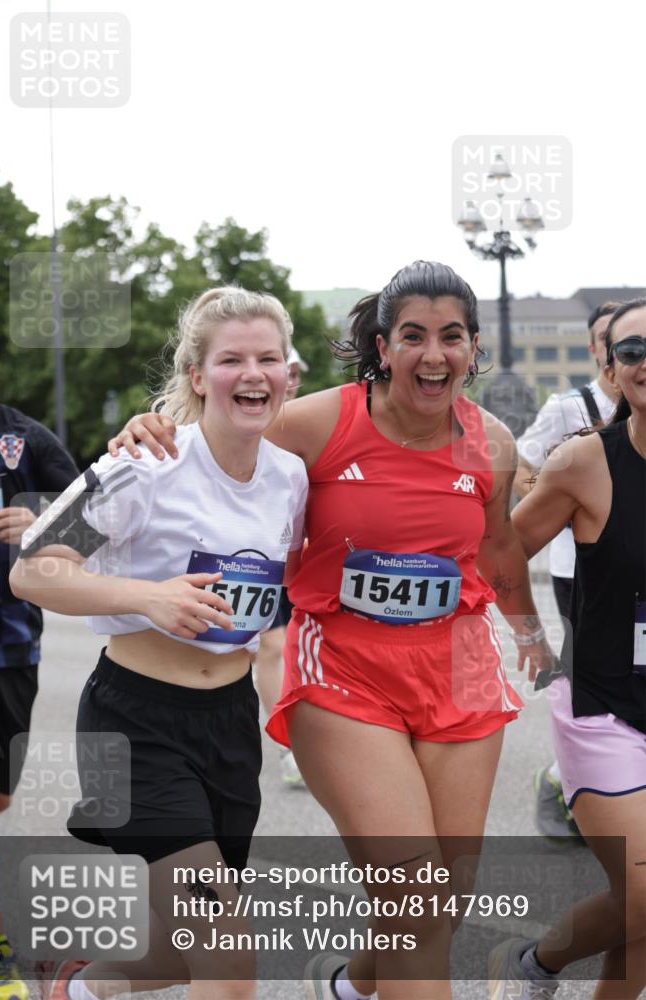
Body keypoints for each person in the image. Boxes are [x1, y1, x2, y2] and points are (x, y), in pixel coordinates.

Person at [109, 261, 555, 1000]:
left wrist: (531, 635)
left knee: (442, 900)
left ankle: (350, 986)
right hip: (345, 667)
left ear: (473, 349)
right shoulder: (316, 421)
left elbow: (498, 544)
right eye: (411, 336)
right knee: (415, 903)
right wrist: (156, 425)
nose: (432, 354)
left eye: (451, 337)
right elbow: (221, 431)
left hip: (459, 664)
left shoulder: (492, 443)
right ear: (382, 346)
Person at [9, 288, 308, 1000]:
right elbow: (33, 569)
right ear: (198, 374)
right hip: (133, 723)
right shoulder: (141, 466)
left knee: (185, 953)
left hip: (228, 726)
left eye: (268, 357)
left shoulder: (290, 478)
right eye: (231, 358)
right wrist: (150, 597)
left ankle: (75, 989)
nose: (253, 373)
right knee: (228, 952)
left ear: (289, 375)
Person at [494, 298, 646, 1000]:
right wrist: (527, 635)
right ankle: (539, 960)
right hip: (603, 708)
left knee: (641, 919)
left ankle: (537, 964)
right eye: (632, 349)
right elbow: (498, 554)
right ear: (610, 369)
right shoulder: (585, 463)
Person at [0, 320, 79, 1000]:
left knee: (0, 797)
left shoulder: (23, 439)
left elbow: (97, 519)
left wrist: (37, 518)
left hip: (11, 645)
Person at [514, 302, 619, 838]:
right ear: (596, 349)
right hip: (575, 568)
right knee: (591, 677)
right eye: (610, 340)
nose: (620, 351)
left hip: (631, 565)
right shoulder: (570, 405)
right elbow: (522, 459)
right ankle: (565, 780)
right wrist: (554, 506)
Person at [253, 345, 309, 788]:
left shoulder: (312, 420)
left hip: (303, 558)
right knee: (271, 647)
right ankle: (289, 743)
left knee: (296, 647)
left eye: (291, 371)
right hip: (257, 557)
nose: (287, 378)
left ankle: (310, 737)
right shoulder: (243, 420)